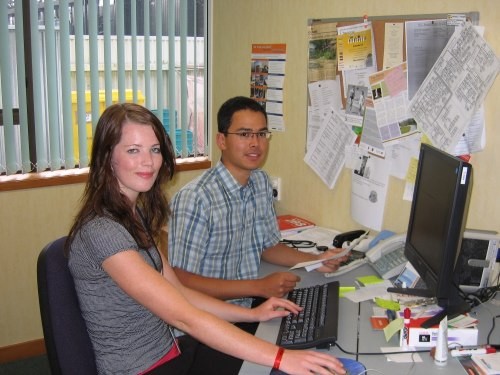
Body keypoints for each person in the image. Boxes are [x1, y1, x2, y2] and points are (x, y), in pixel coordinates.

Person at [65, 103, 346, 375]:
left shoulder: (133, 215)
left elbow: (180, 292)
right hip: (142, 368)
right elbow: (182, 316)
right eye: (133, 150)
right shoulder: (102, 230)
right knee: (280, 364)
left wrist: (254, 315)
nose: (148, 162)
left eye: (154, 149)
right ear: (107, 157)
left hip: (172, 353)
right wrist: (282, 359)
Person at [168, 96, 349, 310]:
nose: (256, 143)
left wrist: (315, 260)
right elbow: (182, 280)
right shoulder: (196, 199)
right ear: (221, 140)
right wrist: (258, 287)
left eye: (262, 134)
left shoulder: (260, 182)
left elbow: (268, 246)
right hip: (209, 318)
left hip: (249, 306)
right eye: (244, 134)